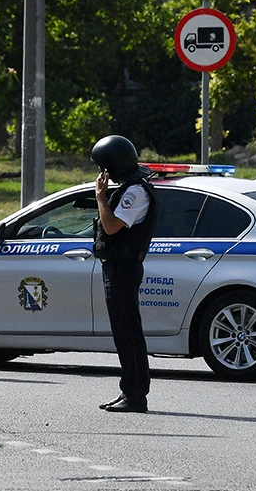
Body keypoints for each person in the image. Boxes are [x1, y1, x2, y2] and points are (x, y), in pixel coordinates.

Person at [91, 134, 159, 413]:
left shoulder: (135, 192)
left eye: (103, 166)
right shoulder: (129, 188)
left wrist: (100, 197)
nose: (102, 173)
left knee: (128, 331)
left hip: (123, 267)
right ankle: (129, 391)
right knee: (124, 331)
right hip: (118, 266)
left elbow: (111, 227)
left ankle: (135, 395)